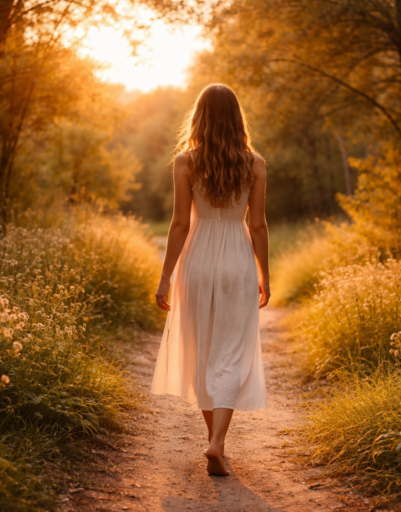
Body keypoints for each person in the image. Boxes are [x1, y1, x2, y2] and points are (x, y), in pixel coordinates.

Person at [151, 83, 270, 476]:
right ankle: (217, 441)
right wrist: (264, 274)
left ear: (199, 116)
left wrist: (165, 276)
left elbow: (181, 223)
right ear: (238, 118)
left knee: (201, 349)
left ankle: (213, 440)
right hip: (237, 260)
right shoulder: (255, 164)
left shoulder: (185, 161)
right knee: (231, 352)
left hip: (198, 260)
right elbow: (257, 226)